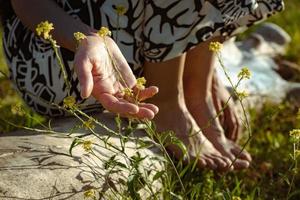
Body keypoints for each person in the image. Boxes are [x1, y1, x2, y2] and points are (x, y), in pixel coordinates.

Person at [1, 0, 284, 171]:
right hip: (63, 59)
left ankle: (192, 87)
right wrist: (86, 39)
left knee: (201, 85)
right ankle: (168, 102)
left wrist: (202, 80)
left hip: (128, 47)